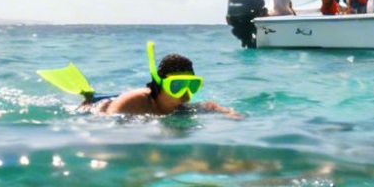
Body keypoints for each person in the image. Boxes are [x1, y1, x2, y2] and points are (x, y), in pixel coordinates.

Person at [40, 49, 241, 117]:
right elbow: (107, 123)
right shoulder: (134, 102)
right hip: (99, 108)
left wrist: (226, 112)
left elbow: (207, 107)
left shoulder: (178, 105)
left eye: (193, 85)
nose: (186, 93)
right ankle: (88, 96)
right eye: (177, 86)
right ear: (159, 85)